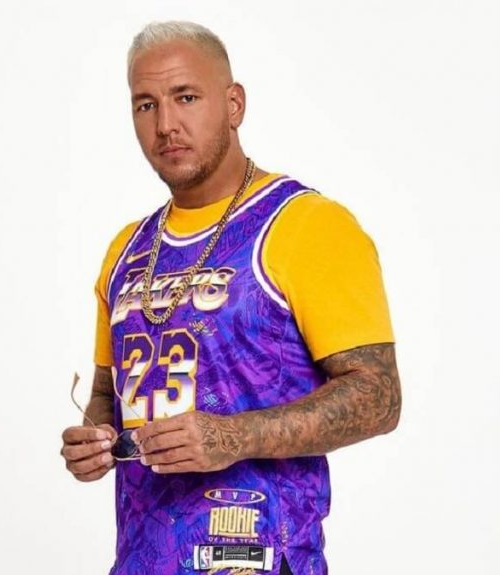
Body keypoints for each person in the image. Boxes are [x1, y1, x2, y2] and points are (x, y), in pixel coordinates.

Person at [60, 20, 401, 575]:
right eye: (145, 105)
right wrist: (94, 440)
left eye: (186, 97)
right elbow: (106, 390)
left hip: (259, 556)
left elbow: (379, 397)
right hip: (141, 560)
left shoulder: (307, 226)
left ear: (234, 104)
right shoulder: (126, 249)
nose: (166, 125)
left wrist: (234, 436)